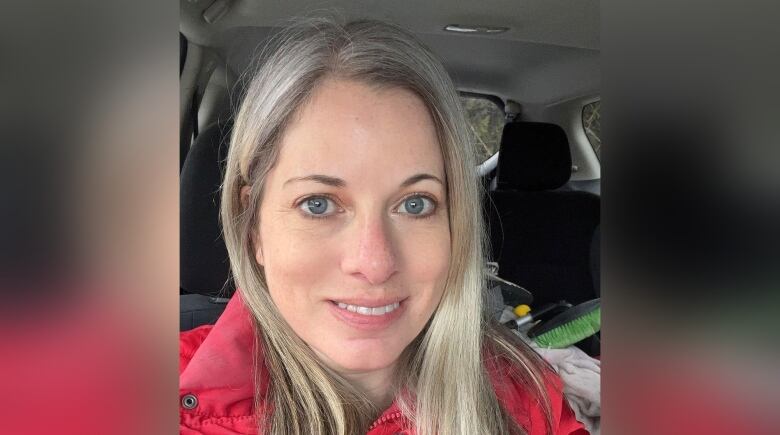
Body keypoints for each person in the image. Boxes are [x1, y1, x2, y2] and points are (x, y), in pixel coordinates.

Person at [180, 17, 587, 435]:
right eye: (317, 205)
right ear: (254, 228)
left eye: (415, 204)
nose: (374, 264)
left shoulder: (530, 398)